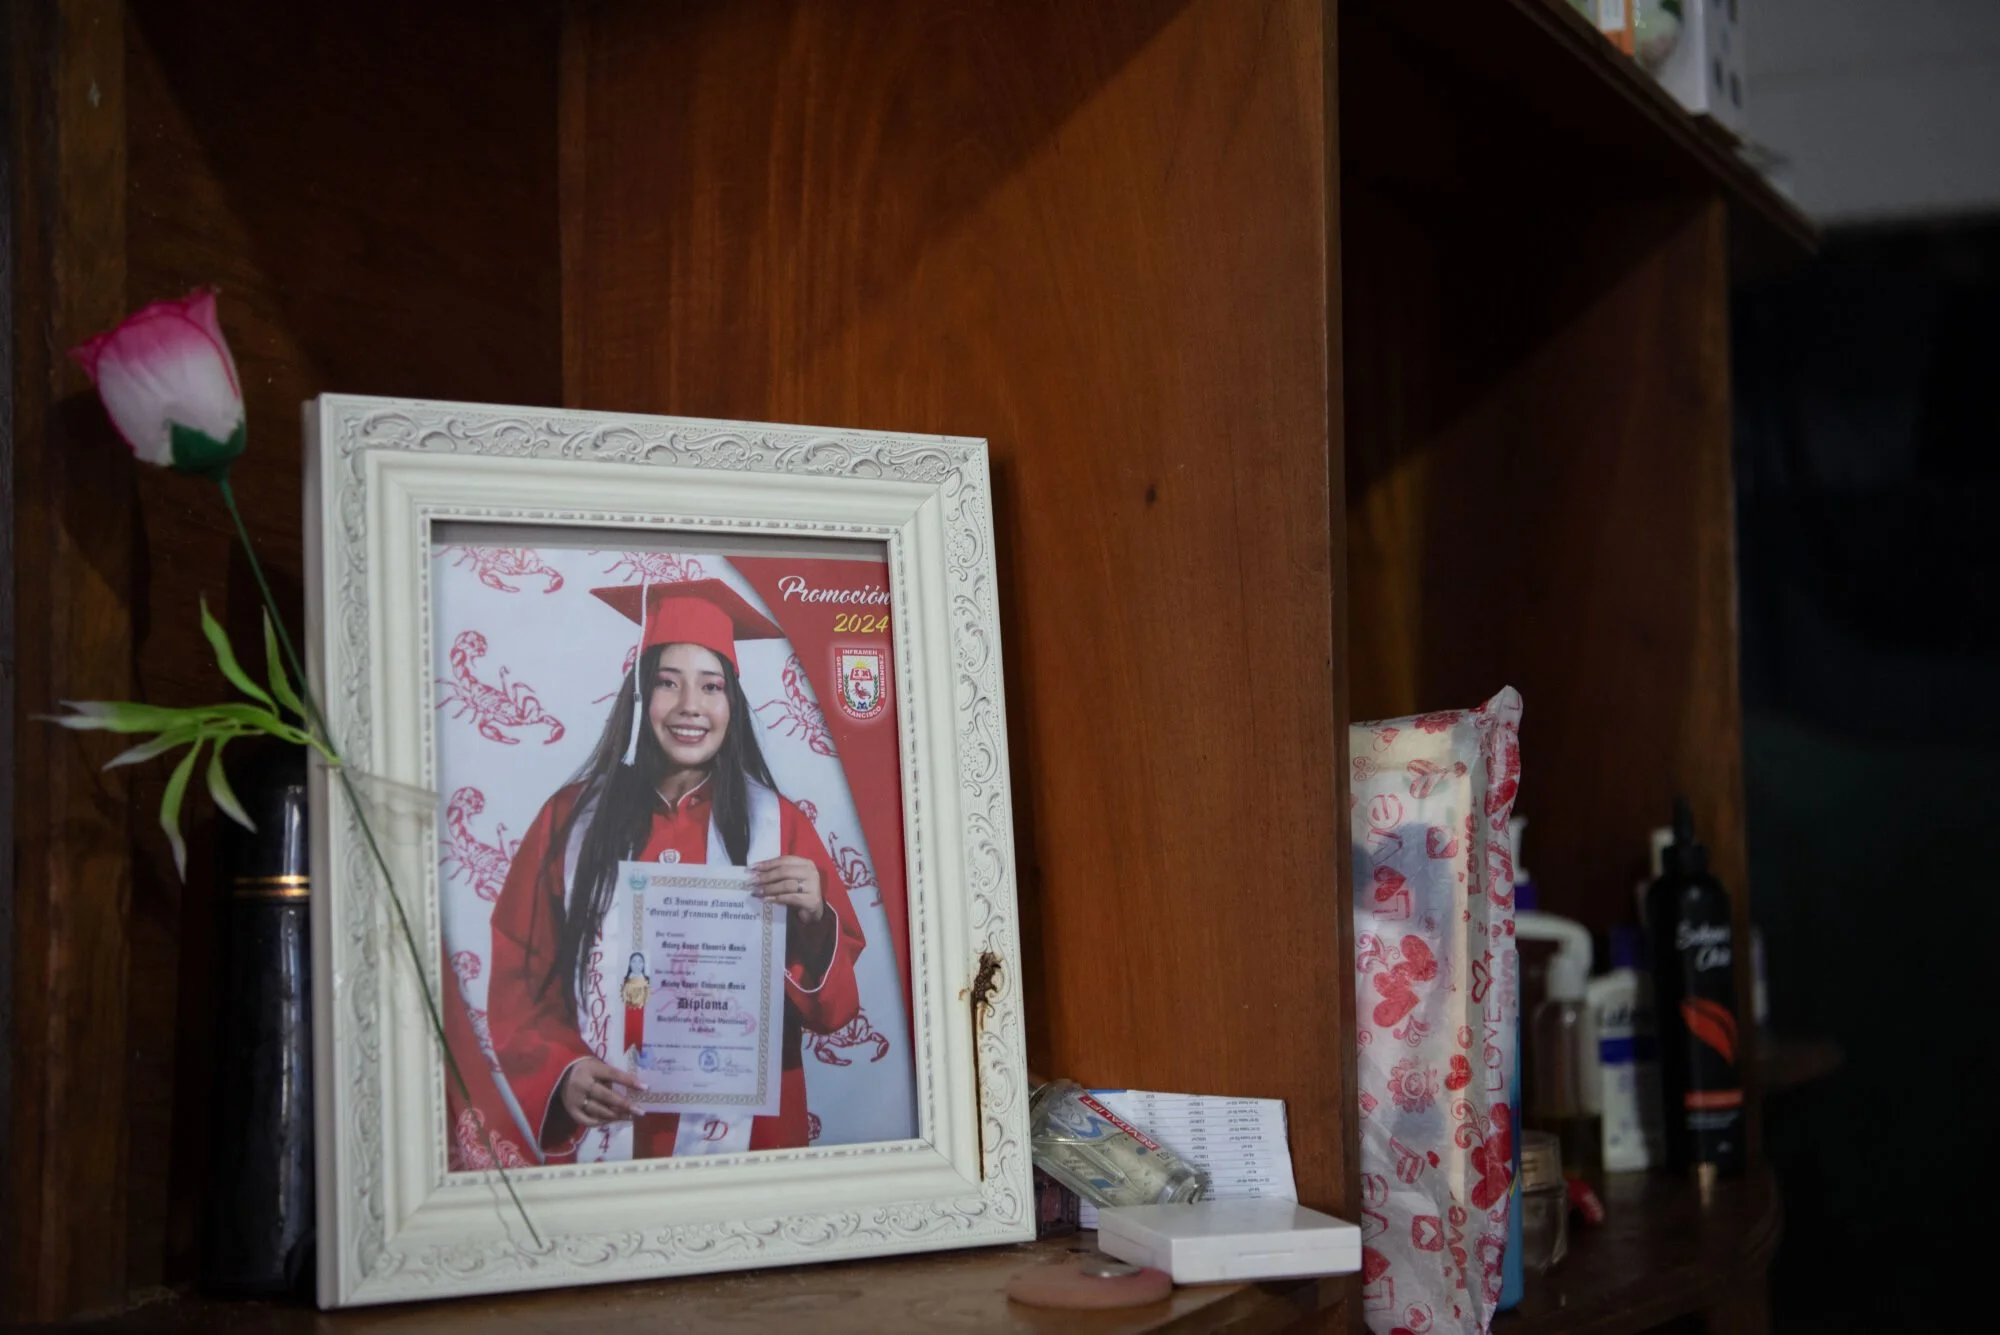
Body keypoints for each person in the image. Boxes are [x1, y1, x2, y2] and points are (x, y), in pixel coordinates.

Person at [486, 579, 865, 1160]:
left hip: (748, 1142)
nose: (691, 705)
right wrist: (564, 1069)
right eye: (668, 682)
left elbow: (834, 1013)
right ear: (640, 697)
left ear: (732, 705)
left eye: (711, 686)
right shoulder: (571, 819)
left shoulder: (779, 826)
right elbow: (520, 973)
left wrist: (815, 920)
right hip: (612, 1128)